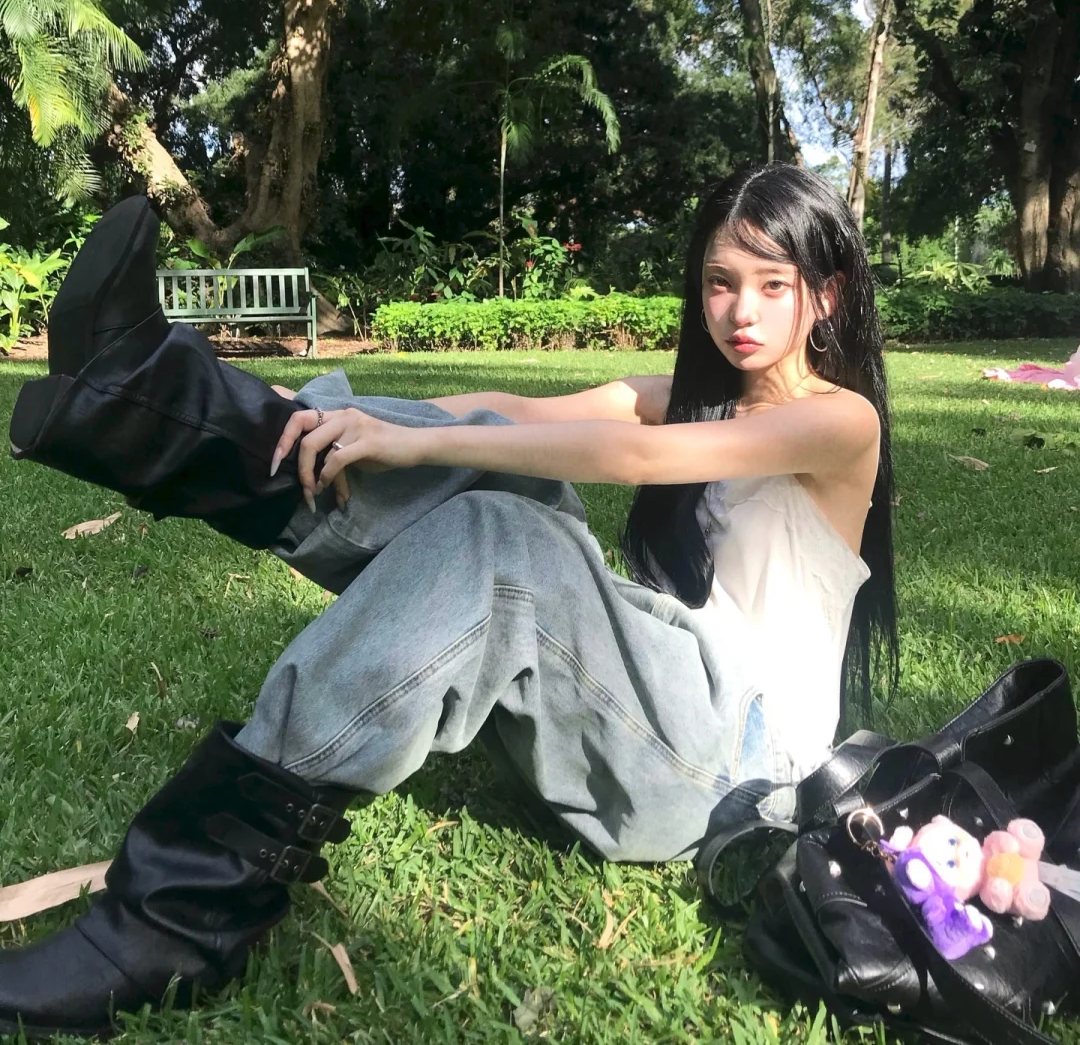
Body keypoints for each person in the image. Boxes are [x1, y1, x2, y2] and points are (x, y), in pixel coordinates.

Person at [2, 164, 898, 1038]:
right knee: (508, 471)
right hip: (664, 701)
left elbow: (636, 459)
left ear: (826, 294)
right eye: (720, 282)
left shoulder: (843, 422)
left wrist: (417, 446)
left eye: (773, 285)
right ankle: (153, 400)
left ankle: (174, 919)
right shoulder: (693, 399)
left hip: (738, 770)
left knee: (503, 540)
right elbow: (508, 410)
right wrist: (323, 415)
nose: (741, 312)